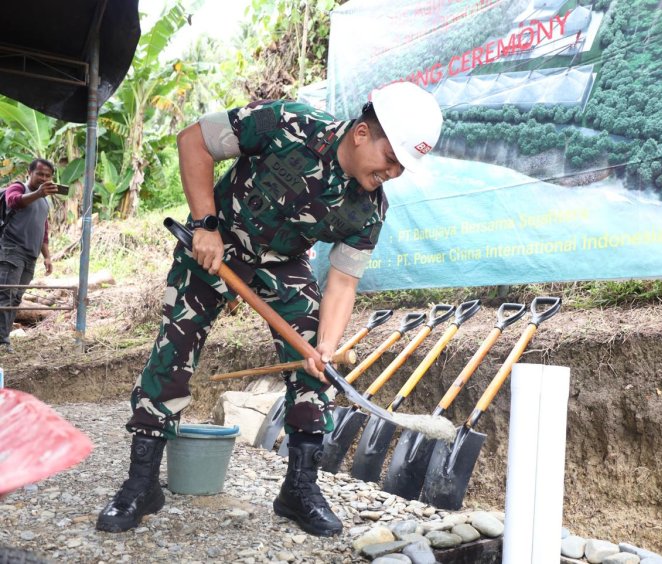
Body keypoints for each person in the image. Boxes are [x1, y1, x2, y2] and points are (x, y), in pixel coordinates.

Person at [96, 81, 443, 536]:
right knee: (173, 350)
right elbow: (193, 141)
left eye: (401, 167)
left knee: (314, 363)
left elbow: (342, 283)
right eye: (391, 158)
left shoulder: (370, 210)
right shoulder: (287, 122)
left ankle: (299, 489)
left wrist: (326, 346)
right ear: (362, 133)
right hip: (216, 243)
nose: (393, 172)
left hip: (283, 262)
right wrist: (204, 224)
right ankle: (141, 484)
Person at [0, 159, 56, 353]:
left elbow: (43, 230)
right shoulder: (18, 188)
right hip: (11, 250)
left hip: (30, 256)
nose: (43, 178)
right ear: (29, 173)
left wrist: (47, 256)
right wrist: (38, 193)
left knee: (15, 298)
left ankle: (3, 338)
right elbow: (13, 201)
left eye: (48, 176)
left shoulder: (44, 201)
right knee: (5, 296)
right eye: (40, 174)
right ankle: (2, 342)